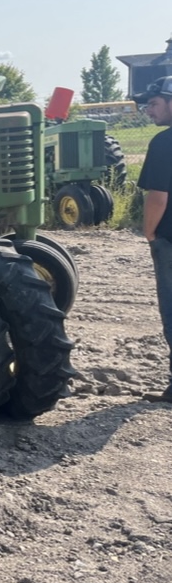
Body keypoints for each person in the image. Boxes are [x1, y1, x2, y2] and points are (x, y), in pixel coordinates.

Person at [135, 76, 172, 402]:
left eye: (154, 103)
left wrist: (149, 233)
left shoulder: (164, 143)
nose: (148, 110)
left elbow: (157, 197)